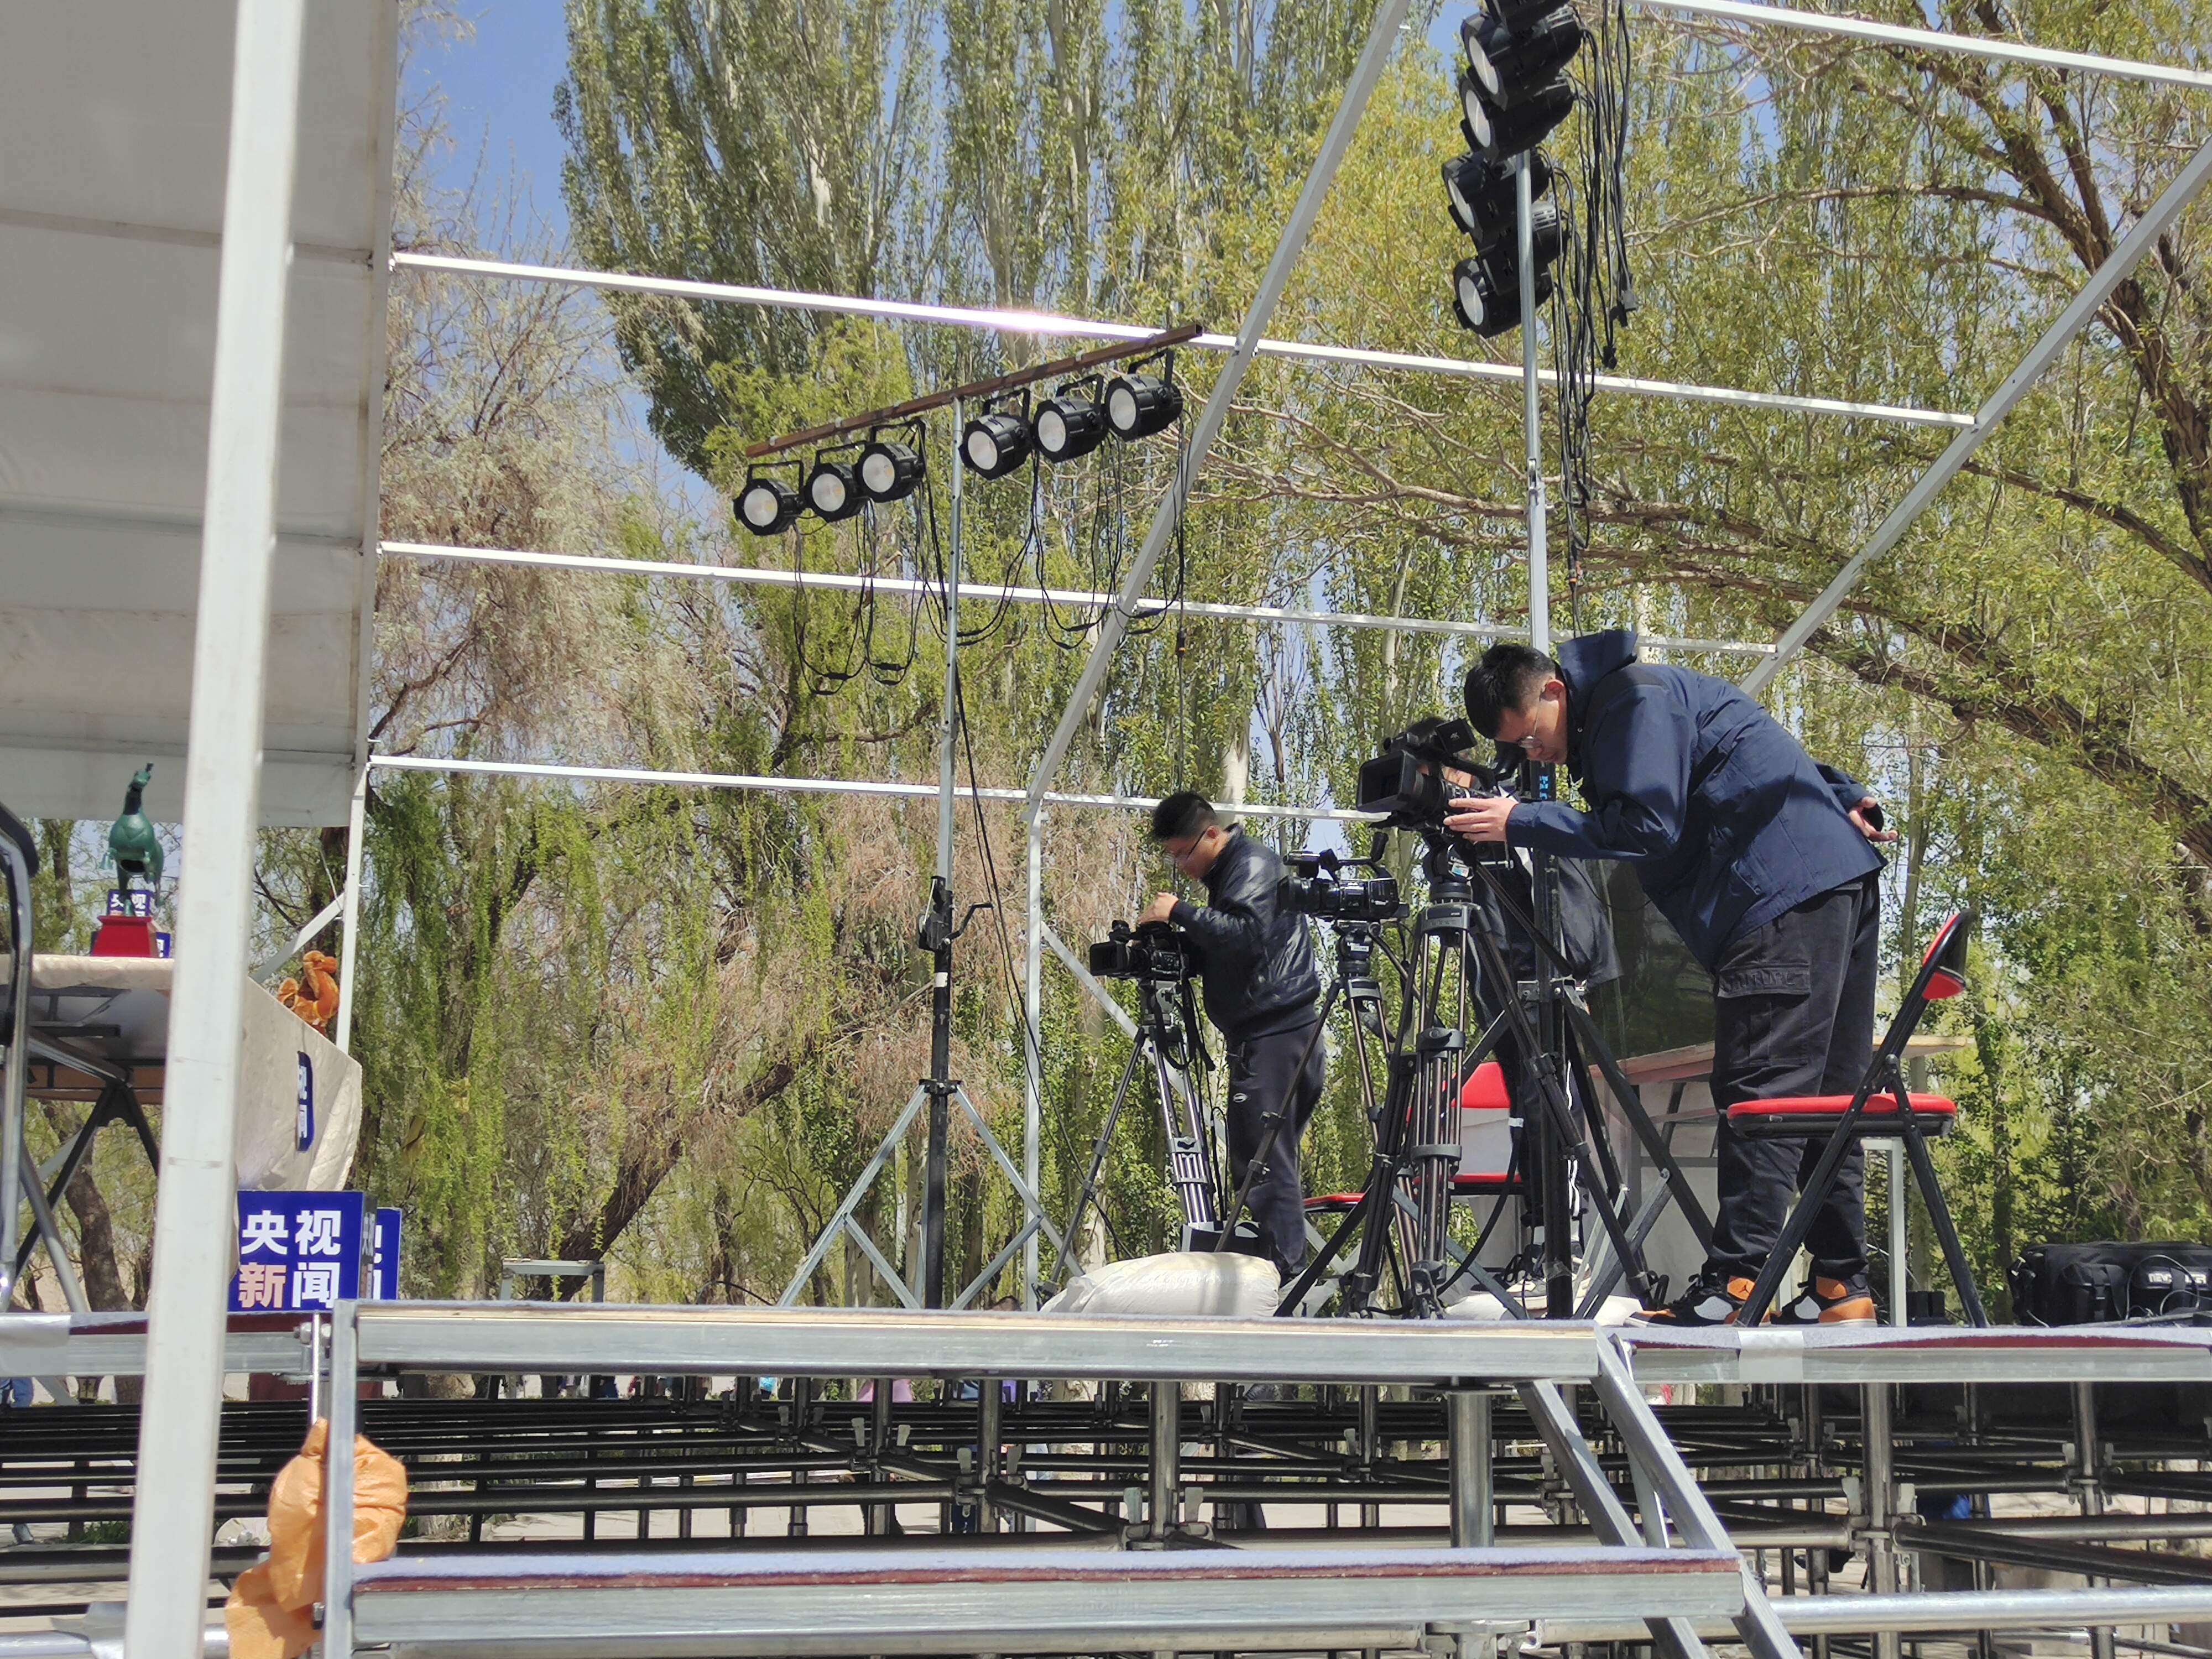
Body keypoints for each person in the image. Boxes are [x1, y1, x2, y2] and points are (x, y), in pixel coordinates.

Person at [1447, 630, 1897, 1327]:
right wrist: (1840, 789)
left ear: (1555, 691)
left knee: (1762, 1090)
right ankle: (1840, 1284)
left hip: (1778, 897)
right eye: (1519, 750)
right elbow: (1752, 751)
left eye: (1531, 737)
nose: (1536, 756)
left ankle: (1734, 1287)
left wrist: (1523, 822)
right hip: (1827, 885)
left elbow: (1648, 826)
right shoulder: (1652, 694)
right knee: (1822, 1103)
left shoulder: (1629, 701)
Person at [1141, 792, 1324, 1279]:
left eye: (1183, 854)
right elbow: (1231, 947)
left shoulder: (1251, 864)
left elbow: (1246, 935)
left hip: (1278, 1031)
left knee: (1264, 1165)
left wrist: (1179, 913)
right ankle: (1275, 1274)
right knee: (1260, 1161)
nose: (1180, 866)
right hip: (1269, 1035)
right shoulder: (1230, 873)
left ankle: (1285, 1282)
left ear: (1212, 835)